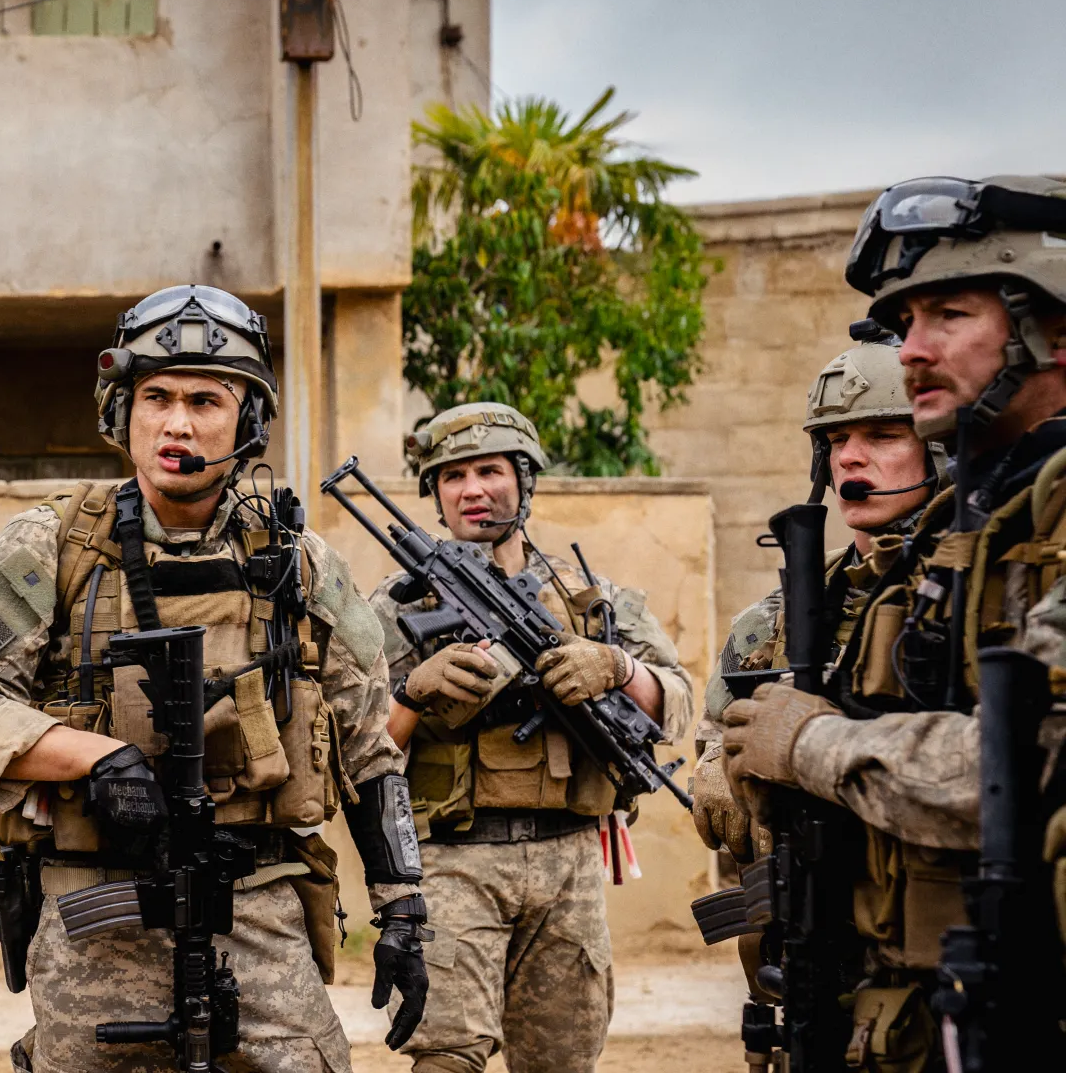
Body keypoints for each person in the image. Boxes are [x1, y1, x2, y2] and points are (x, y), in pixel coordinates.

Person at [0, 285, 430, 1073]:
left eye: (205, 401)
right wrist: (96, 758)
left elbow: (367, 743)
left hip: (257, 904)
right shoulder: (52, 545)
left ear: (247, 422)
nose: (177, 424)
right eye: (156, 398)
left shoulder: (298, 562)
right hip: (97, 914)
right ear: (121, 411)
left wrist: (403, 908)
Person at [721, 174, 1066, 1067]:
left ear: (1056, 329)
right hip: (916, 1006)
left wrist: (812, 746)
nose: (911, 349)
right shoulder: (966, 531)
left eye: (948, 314)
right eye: (905, 321)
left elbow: (1021, 768)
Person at [368, 402, 694, 1073]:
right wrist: (411, 692)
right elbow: (353, 752)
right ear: (435, 494)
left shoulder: (589, 599)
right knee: (446, 1058)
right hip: (452, 859)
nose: (473, 490)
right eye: (452, 476)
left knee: (562, 1060)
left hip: (568, 860)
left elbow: (681, 704)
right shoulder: (395, 609)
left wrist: (617, 667)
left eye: (490, 471)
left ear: (525, 481)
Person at [693, 332, 938, 865]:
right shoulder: (775, 616)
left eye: (883, 436)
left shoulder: (967, 592)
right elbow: (717, 723)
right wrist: (717, 759)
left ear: (939, 450)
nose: (850, 457)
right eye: (836, 439)